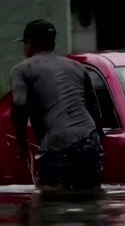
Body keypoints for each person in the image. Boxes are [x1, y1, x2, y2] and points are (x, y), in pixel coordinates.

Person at [10, 19, 104, 191]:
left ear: (30, 44)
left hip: (59, 141)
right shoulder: (77, 67)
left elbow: (19, 105)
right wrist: (98, 140)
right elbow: (95, 110)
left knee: (49, 201)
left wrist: (21, 142)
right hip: (89, 139)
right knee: (89, 198)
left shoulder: (22, 69)